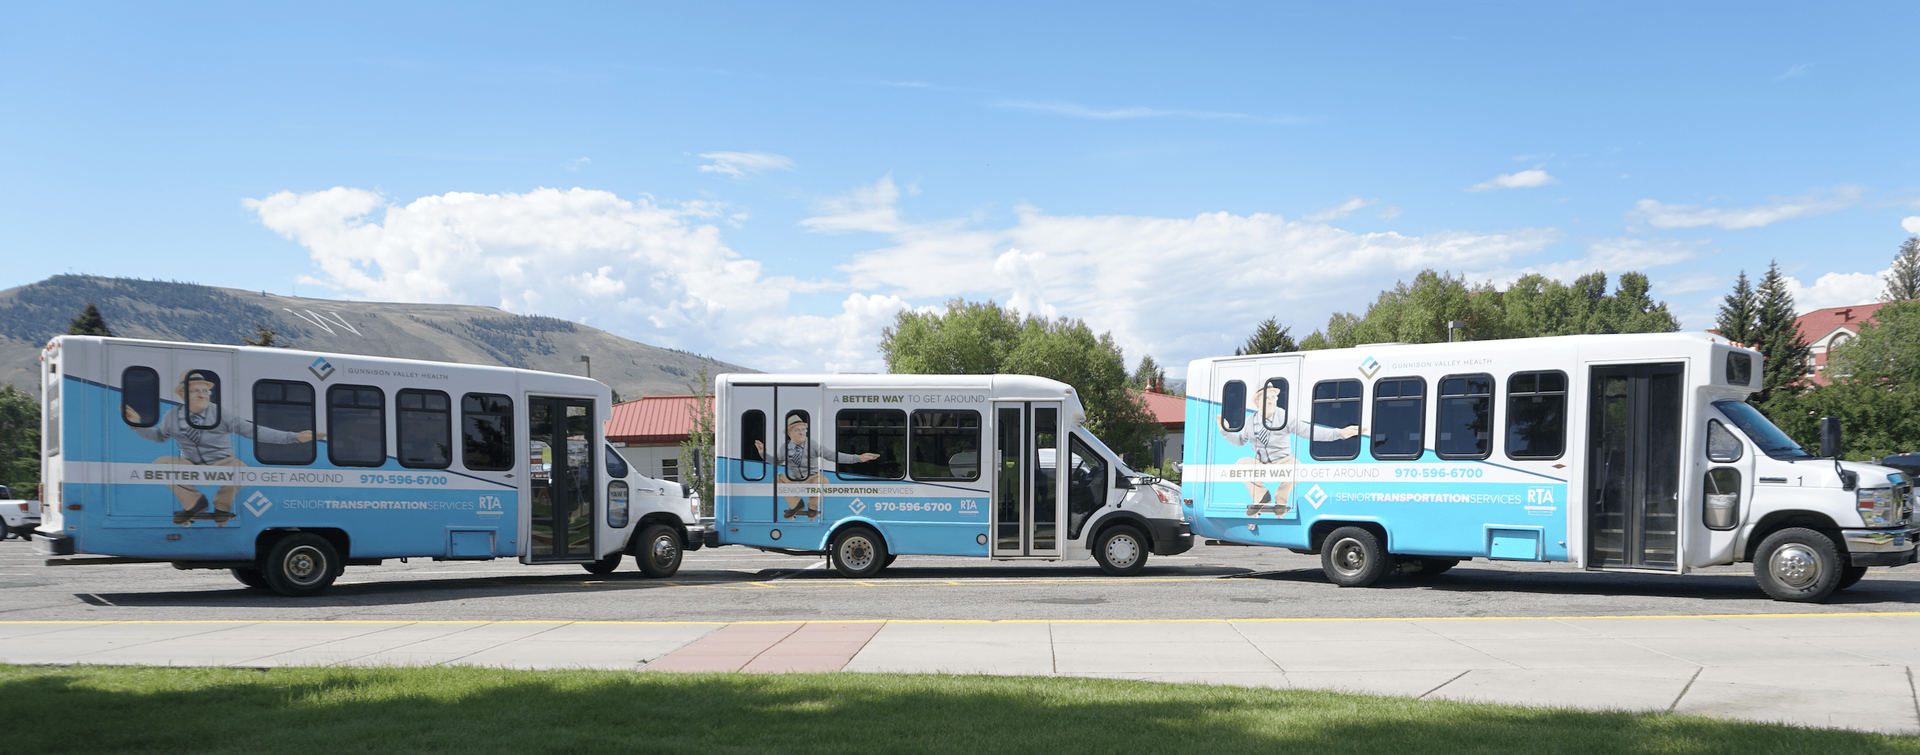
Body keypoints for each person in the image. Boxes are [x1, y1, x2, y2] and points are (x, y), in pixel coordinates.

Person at [124, 370, 322, 526]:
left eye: (205, 390)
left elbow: (252, 431)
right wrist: (136, 424)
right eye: (195, 390)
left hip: (222, 462)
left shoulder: (220, 413)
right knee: (160, 464)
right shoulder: (171, 416)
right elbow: (159, 437)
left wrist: (293, 437)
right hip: (190, 465)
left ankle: (222, 506)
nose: (202, 394)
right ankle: (194, 503)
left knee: (241, 469)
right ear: (182, 394)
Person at [1220, 385, 1360, 517]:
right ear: (1257, 401)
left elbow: (1309, 432)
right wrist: (1224, 431)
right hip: (1261, 464)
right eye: (1266, 398)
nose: (1271, 400)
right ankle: (1261, 497)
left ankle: (1281, 501)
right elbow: (1239, 441)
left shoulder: (1284, 417)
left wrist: (1339, 434)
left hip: (1283, 462)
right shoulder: (1250, 420)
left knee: (1296, 465)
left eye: (1273, 397)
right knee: (1240, 463)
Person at [754, 412, 878, 521]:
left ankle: (812, 507)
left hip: (811, 478)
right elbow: (776, 461)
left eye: (803, 429)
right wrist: (762, 453)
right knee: (777, 480)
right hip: (795, 479)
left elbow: (832, 455)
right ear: (789, 433)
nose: (802, 432)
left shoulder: (812, 444)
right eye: (798, 430)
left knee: (822, 480)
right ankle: (796, 505)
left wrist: (858, 458)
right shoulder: (784, 448)